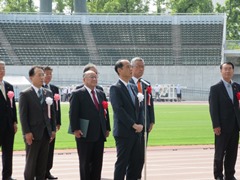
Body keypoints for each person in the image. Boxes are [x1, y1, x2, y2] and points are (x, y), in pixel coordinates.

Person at [69, 70, 111, 180]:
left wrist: (107, 127)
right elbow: (73, 113)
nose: (94, 79)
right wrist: (75, 129)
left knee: (98, 163)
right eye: (91, 77)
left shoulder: (100, 93)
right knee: (85, 163)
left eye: (95, 77)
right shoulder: (77, 94)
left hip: (99, 134)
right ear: (84, 80)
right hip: (85, 133)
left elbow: (105, 112)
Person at [19, 66, 56, 180]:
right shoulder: (25, 94)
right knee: (31, 163)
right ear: (31, 77)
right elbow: (23, 116)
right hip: (33, 134)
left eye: (43, 75)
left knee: (42, 164)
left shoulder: (48, 93)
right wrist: (27, 132)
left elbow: (52, 113)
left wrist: (53, 129)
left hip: (45, 133)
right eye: (39, 75)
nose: (42, 77)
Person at [110, 59, 144, 180]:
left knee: (136, 163)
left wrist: (141, 124)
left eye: (131, 67)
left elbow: (139, 109)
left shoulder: (134, 87)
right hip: (124, 132)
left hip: (137, 133)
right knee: (122, 163)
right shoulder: (115, 88)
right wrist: (133, 125)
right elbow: (119, 110)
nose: (131, 69)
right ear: (119, 70)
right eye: (128, 66)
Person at [209, 62, 240, 180]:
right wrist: (216, 125)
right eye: (225, 69)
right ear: (221, 71)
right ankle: (218, 176)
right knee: (219, 153)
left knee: (232, 153)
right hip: (221, 127)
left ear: (233, 71)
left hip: (235, 125)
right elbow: (213, 108)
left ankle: (230, 174)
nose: (228, 71)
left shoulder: (237, 87)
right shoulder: (215, 89)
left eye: (230, 69)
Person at [129, 57, 155, 179]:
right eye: (138, 66)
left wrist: (152, 120)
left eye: (143, 67)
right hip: (132, 124)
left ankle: (138, 176)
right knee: (131, 155)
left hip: (145, 123)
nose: (141, 69)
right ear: (131, 68)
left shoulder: (146, 84)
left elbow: (150, 104)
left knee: (141, 155)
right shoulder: (127, 84)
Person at [0, 61, 17, 180]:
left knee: (8, 152)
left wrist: (14, 122)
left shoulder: (9, 86)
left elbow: (12, 106)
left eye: (3, 68)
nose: (2, 71)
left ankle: (7, 175)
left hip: (8, 126)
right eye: (0, 68)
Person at [43, 66, 61, 179]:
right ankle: (39, 172)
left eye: (50, 74)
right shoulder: (39, 88)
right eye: (46, 73)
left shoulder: (54, 88)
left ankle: (48, 171)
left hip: (52, 124)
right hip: (41, 124)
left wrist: (58, 122)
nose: (49, 76)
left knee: (51, 148)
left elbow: (57, 107)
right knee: (42, 149)